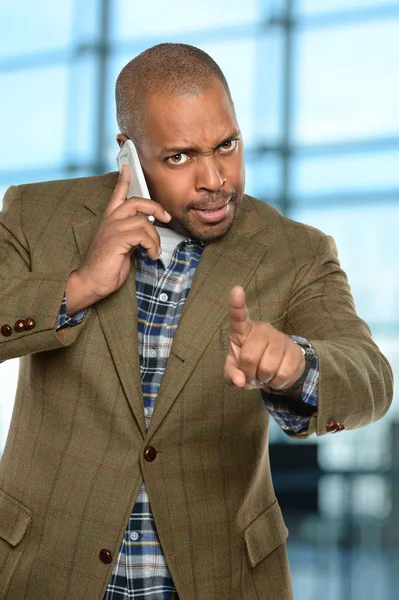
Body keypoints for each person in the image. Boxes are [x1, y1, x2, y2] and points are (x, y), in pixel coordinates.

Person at [0, 43, 393, 600]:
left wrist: (299, 368)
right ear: (129, 154)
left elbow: (373, 380)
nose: (215, 178)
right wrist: (79, 286)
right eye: (180, 156)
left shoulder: (295, 251)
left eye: (227, 145)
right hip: (47, 573)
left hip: (219, 578)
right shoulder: (37, 214)